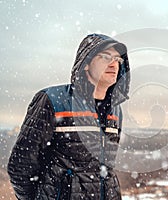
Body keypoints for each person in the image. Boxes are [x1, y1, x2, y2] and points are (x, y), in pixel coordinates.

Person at [7, 33, 130, 200]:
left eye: (117, 59)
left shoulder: (116, 110)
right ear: (86, 63)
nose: (114, 63)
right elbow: (20, 165)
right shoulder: (53, 100)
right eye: (105, 57)